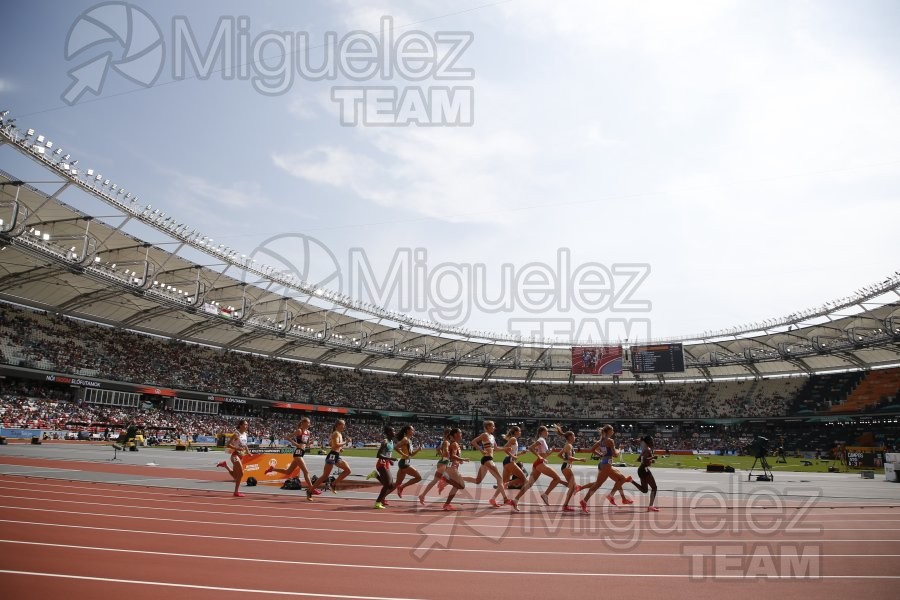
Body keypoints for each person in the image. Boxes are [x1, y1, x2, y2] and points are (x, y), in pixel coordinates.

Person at [578, 424, 633, 513]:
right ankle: (585, 501)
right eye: (612, 430)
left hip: (605, 463)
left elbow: (591, 450)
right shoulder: (610, 441)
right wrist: (620, 449)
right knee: (599, 484)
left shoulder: (601, 441)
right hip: (607, 464)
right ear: (608, 432)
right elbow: (615, 454)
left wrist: (600, 455)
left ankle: (618, 498)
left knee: (620, 479)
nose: (613, 432)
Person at [511, 425, 564, 510]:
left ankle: (516, 499)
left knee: (529, 484)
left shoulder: (543, 441)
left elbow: (545, 455)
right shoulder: (541, 439)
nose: (547, 433)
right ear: (541, 432)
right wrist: (539, 456)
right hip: (540, 463)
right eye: (546, 431)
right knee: (557, 478)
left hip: (538, 464)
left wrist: (551, 452)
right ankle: (545, 494)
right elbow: (531, 448)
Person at [266, 416, 320, 495]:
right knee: (306, 471)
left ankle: (273, 469)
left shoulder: (308, 432)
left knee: (288, 471)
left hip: (302, 452)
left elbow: (307, 444)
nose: (309, 424)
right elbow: (287, 437)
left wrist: (310, 443)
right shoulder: (299, 430)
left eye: (309, 423)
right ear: (304, 423)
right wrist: (296, 444)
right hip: (297, 453)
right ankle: (311, 489)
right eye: (308, 422)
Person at [464, 420, 509, 506]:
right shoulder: (485, 435)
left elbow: (496, 449)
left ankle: (458, 478)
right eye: (493, 426)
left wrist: (505, 449)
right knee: (500, 479)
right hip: (487, 459)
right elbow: (473, 442)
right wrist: (481, 450)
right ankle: (505, 499)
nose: (494, 428)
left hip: (487, 459)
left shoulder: (492, 436)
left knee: (477, 481)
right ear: (488, 427)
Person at [306, 419, 352, 500]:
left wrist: (340, 449)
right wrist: (346, 442)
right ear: (338, 425)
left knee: (348, 470)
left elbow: (331, 444)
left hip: (336, 455)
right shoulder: (336, 433)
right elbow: (335, 445)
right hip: (332, 456)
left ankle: (333, 484)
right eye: (343, 425)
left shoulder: (339, 433)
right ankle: (310, 491)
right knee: (325, 476)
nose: (344, 426)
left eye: (344, 425)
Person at [491, 426, 527, 508]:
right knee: (524, 479)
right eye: (519, 431)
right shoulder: (513, 439)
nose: (520, 432)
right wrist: (512, 456)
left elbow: (513, 454)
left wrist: (521, 453)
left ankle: (493, 499)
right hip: (509, 461)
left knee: (503, 484)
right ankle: (509, 484)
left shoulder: (514, 439)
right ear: (515, 432)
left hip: (507, 461)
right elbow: (505, 449)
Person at [555, 427, 586, 512]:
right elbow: (569, 457)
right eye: (574, 436)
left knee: (573, 487)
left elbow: (559, 455)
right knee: (572, 487)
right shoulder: (568, 445)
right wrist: (580, 459)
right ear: (570, 437)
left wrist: (565, 460)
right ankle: (565, 505)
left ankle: (559, 482)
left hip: (566, 466)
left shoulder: (568, 445)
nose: (575, 437)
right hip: (566, 467)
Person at [418, 428, 453, 505]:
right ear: (450, 435)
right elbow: (446, 451)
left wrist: (443, 455)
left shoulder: (445, 442)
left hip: (443, 462)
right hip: (444, 463)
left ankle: (422, 495)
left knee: (436, 480)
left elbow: (438, 449)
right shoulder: (447, 442)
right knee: (453, 480)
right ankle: (441, 484)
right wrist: (448, 455)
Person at [216, 419, 250, 497]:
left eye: (247, 425)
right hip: (235, 455)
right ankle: (236, 492)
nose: (246, 426)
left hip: (241, 456)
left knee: (236, 476)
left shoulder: (245, 434)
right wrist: (237, 448)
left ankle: (225, 465)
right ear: (241, 425)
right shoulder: (236, 434)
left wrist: (248, 452)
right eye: (245, 424)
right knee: (241, 473)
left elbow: (245, 445)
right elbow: (228, 445)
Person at [630, 434, 659, 511]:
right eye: (652, 440)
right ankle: (651, 506)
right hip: (644, 470)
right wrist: (653, 457)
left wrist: (650, 460)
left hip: (641, 470)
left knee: (645, 490)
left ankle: (631, 481)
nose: (653, 441)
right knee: (654, 488)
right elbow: (645, 460)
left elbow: (639, 459)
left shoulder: (644, 449)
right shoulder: (648, 449)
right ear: (648, 441)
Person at [441, 427, 468, 510]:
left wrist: (460, 460)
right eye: (460, 433)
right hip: (452, 468)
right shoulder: (454, 444)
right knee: (461, 485)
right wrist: (463, 459)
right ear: (455, 434)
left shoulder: (455, 443)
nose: (461, 435)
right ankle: (445, 479)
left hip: (452, 467)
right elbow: (452, 456)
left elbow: (453, 456)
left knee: (456, 486)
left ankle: (447, 504)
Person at [394, 425, 423, 498]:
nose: (413, 431)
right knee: (418, 477)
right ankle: (401, 487)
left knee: (397, 484)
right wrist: (404, 454)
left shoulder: (409, 440)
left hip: (404, 462)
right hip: (404, 463)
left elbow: (411, 454)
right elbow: (396, 447)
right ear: (408, 430)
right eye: (412, 430)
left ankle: (382, 498)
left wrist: (418, 450)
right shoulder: (405, 439)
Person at [374, 426, 396, 509]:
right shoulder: (385, 442)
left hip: (386, 464)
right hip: (381, 464)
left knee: (391, 486)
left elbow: (387, 453)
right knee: (387, 484)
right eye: (392, 431)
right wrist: (390, 459)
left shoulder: (391, 442)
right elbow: (378, 455)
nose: (394, 432)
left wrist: (389, 461)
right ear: (388, 433)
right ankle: (377, 503)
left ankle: (376, 475)